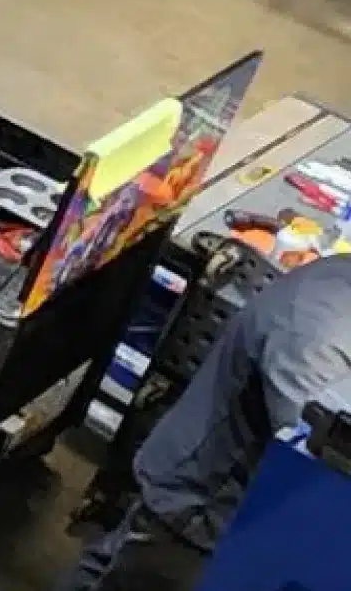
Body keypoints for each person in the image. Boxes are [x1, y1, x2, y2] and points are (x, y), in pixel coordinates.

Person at [58, 252, 351, 590]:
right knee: (140, 571)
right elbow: (309, 440)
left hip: (200, 485)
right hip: (200, 509)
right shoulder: (320, 332)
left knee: (109, 563)